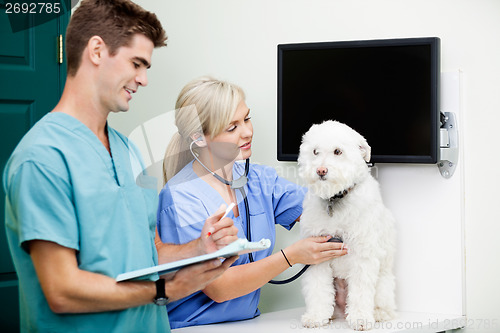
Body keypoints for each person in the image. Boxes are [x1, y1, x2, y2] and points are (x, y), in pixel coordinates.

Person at [3, 1, 238, 332]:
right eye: (136, 63)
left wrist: (199, 249)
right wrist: (166, 291)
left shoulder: (127, 150)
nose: (143, 80)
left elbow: (149, 253)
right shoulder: (42, 157)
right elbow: (62, 290)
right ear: (97, 50)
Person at [156, 76, 348, 329]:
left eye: (246, 118)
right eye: (231, 127)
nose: (247, 132)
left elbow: (324, 208)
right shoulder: (180, 197)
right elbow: (220, 288)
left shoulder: (259, 179)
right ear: (199, 138)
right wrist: (292, 256)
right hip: (193, 327)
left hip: (248, 324)